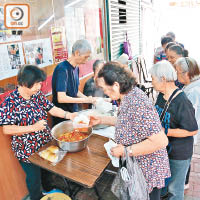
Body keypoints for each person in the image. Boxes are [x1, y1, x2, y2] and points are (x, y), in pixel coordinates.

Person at [90, 62, 171, 200]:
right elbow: (128, 122)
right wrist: (102, 120)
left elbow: (161, 141)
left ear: (116, 85)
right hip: (137, 166)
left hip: (146, 170)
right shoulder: (128, 95)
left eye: (104, 88)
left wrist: (126, 151)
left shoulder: (136, 103)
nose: (104, 92)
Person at [0, 65, 76, 200]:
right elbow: (7, 129)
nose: (39, 87)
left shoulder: (36, 95)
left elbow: (52, 109)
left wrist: (69, 115)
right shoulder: (10, 102)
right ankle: (36, 197)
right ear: (24, 83)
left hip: (44, 143)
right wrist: (33, 127)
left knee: (46, 171)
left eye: (40, 83)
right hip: (26, 150)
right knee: (33, 178)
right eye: (36, 84)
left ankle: (47, 190)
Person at [149, 60, 198, 200]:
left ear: (163, 79)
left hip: (178, 153)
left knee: (175, 190)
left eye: (153, 79)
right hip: (164, 149)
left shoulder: (182, 101)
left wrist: (165, 131)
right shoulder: (161, 95)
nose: (152, 83)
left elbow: (192, 130)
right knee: (164, 187)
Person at [52, 39, 98, 126]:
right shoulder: (62, 69)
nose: (87, 60)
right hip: (63, 116)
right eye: (86, 57)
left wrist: (89, 100)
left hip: (74, 112)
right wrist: (84, 100)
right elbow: (61, 98)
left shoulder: (76, 67)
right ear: (77, 53)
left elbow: (75, 91)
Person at [175, 57, 200, 189]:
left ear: (187, 73)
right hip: (189, 133)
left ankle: (183, 183)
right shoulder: (191, 85)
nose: (176, 74)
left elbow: (189, 120)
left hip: (188, 134)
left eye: (178, 72)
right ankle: (184, 182)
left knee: (185, 160)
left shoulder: (193, 91)